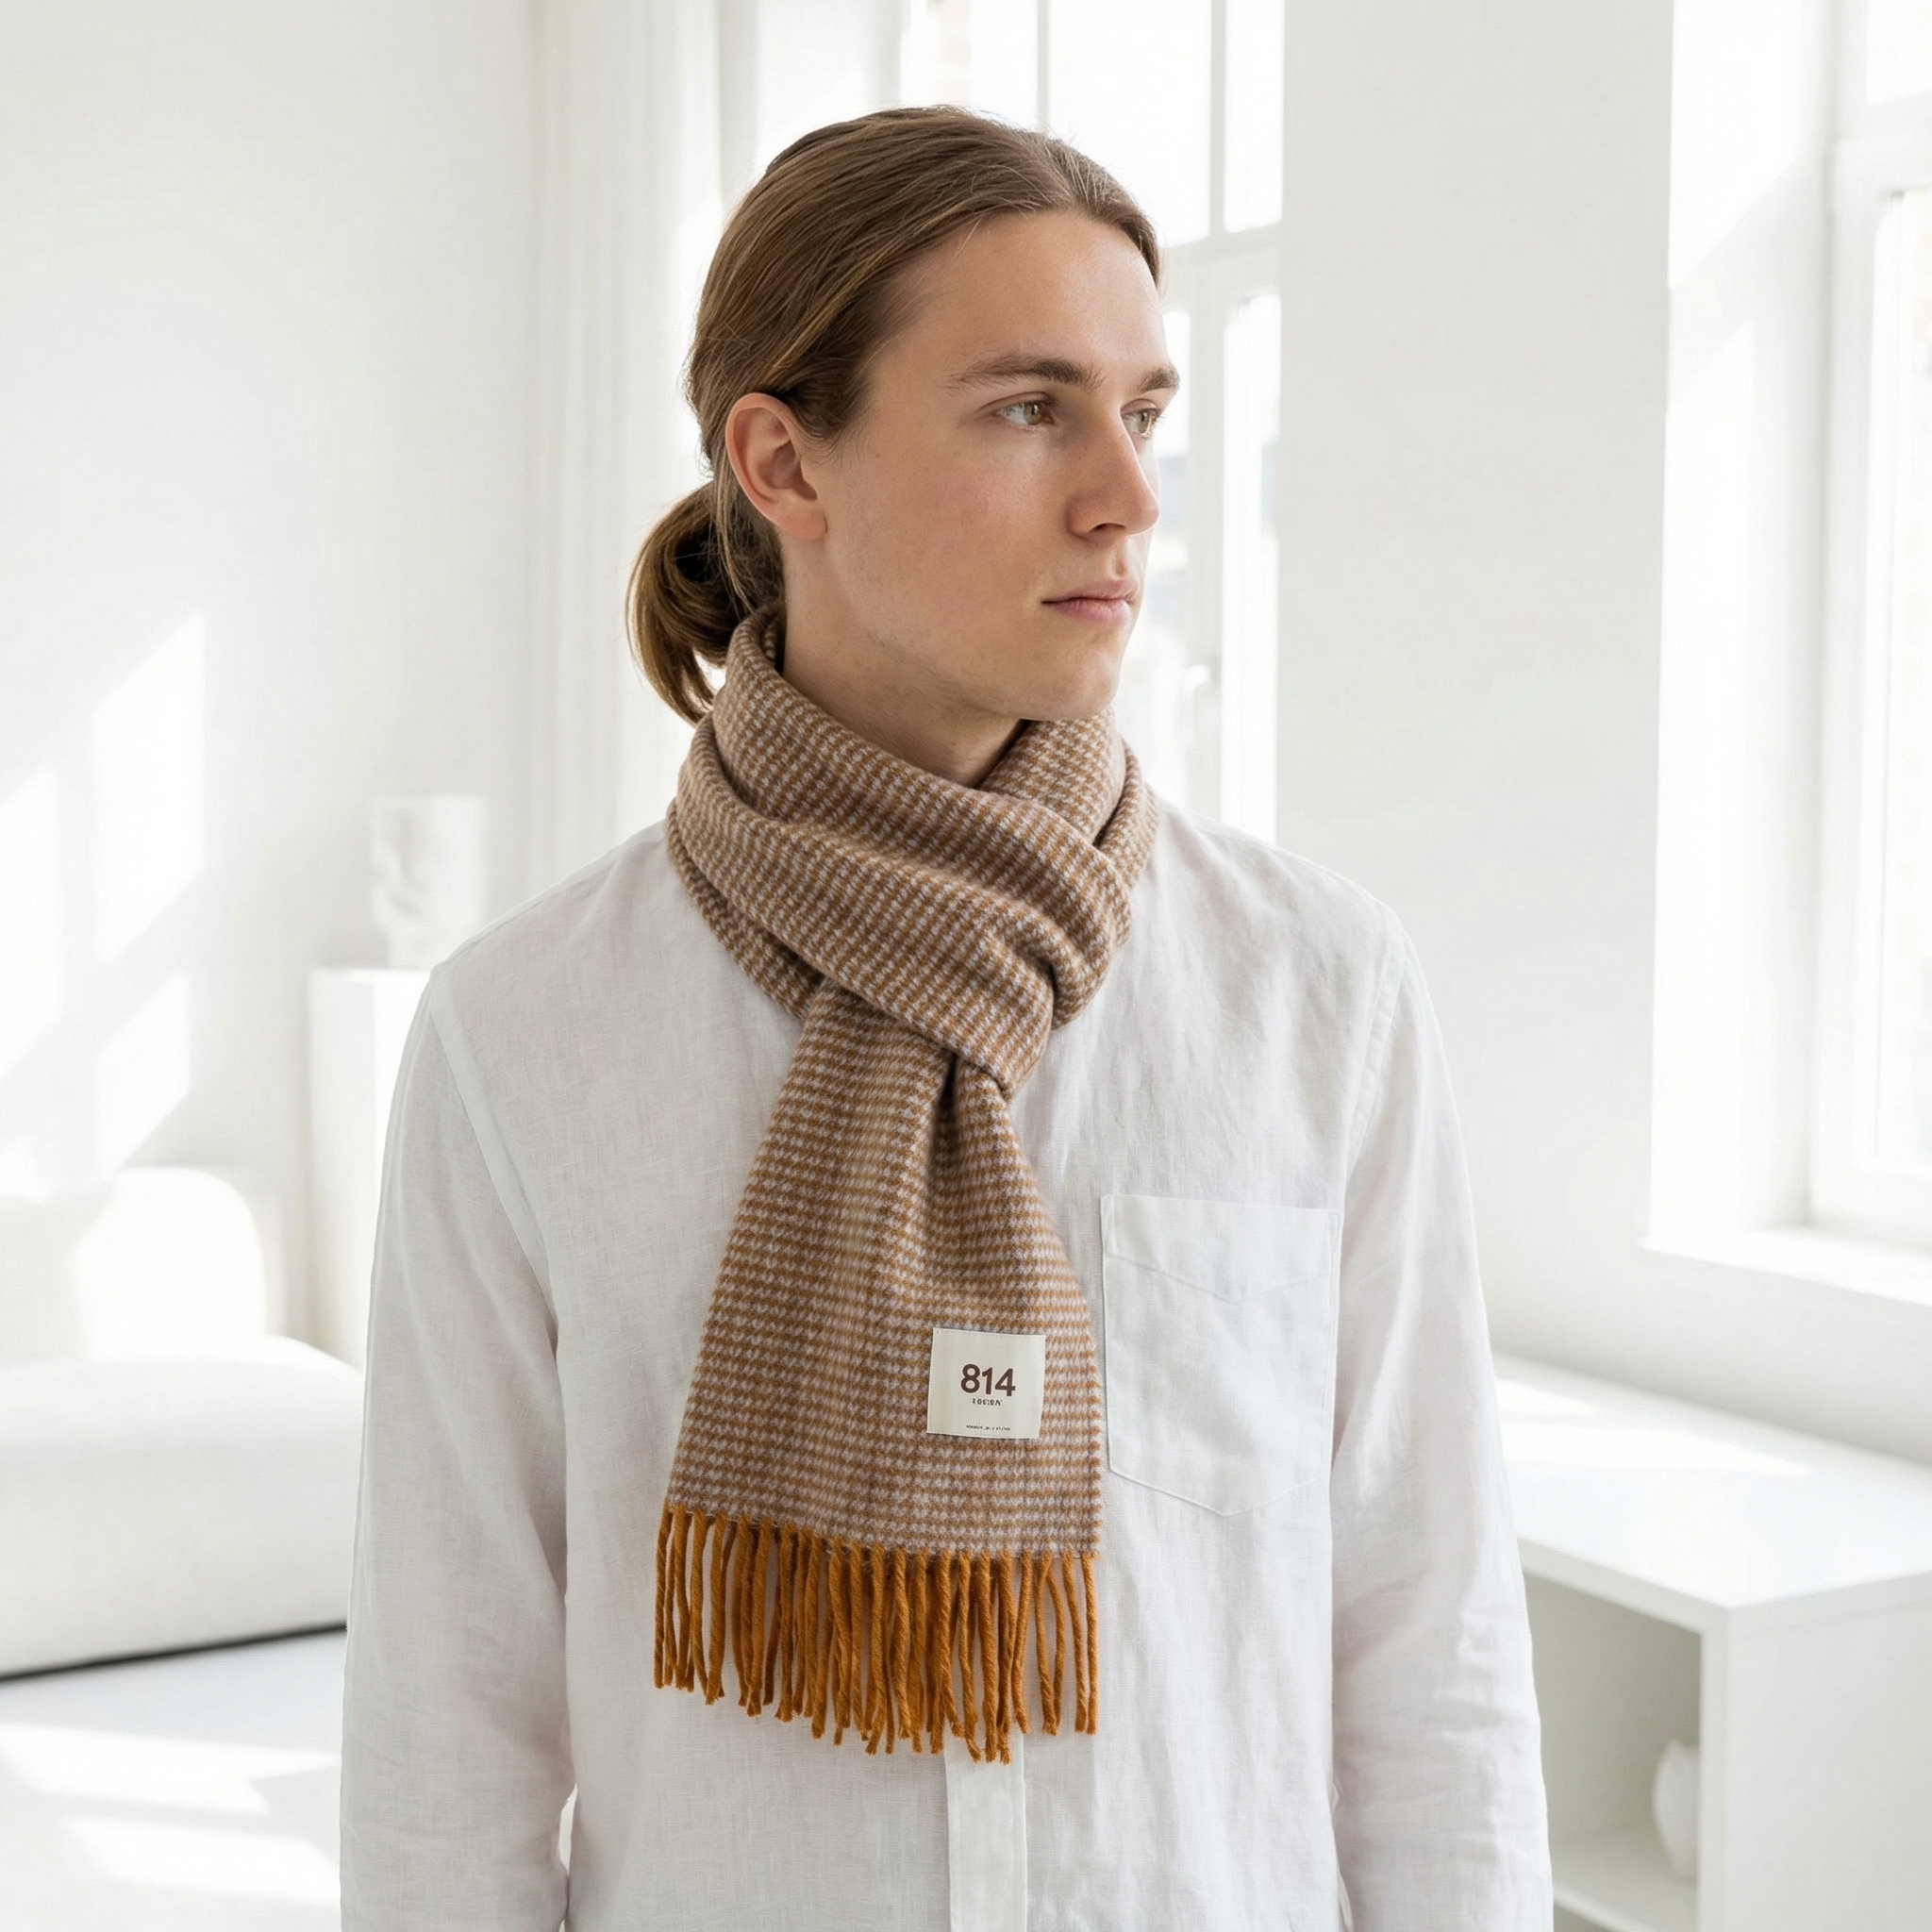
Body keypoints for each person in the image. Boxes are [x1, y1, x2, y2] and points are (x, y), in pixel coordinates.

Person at [339, 105, 1551, 1931]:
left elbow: (1431, 1662)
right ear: (783, 461)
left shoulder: (1320, 993)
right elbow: (447, 1740)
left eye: (1143, 413)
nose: (1128, 498)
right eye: (1028, 407)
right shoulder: (524, 1034)